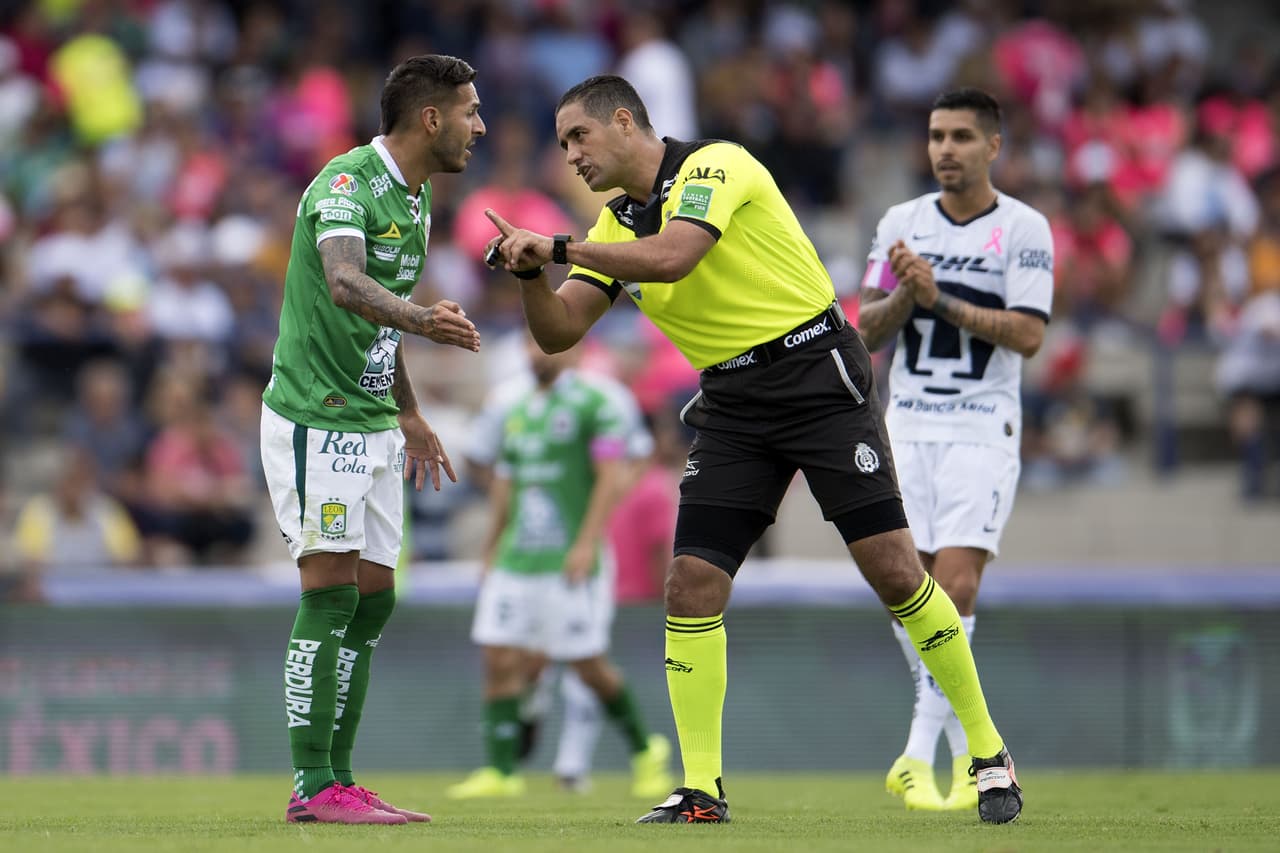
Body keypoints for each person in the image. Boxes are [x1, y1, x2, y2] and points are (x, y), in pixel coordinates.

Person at [483, 74, 1022, 825]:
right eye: (563, 141)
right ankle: (701, 788)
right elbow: (557, 331)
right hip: (733, 403)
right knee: (691, 585)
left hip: (815, 374)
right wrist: (533, 273)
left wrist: (561, 244)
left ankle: (989, 751)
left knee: (897, 574)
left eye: (579, 135)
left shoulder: (715, 166)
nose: (569, 153)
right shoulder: (607, 233)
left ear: (626, 121)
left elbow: (675, 257)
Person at [260, 54, 484, 825]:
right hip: (316, 417)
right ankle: (311, 784)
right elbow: (346, 286)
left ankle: (343, 778)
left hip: (375, 420)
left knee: (376, 598)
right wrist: (426, 319)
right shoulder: (346, 183)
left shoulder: (417, 197)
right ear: (431, 118)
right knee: (328, 589)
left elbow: (373, 334)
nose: (479, 126)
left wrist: (412, 413)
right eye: (469, 112)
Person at [857, 88, 1052, 812]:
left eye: (962, 136)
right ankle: (961, 753)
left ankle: (917, 754)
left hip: (981, 425)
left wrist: (937, 298)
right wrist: (909, 294)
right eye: (937, 135)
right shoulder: (900, 223)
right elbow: (866, 328)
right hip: (905, 424)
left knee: (958, 585)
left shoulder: (1025, 230)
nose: (945, 148)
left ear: (993, 146)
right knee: (913, 591)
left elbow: (1030, 334)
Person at [447, 334, 673, 800]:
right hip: (517, 555)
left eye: (545, 345)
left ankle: (645, 749)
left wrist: (587, 542)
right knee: (498, 655)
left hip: (567, 557)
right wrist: (491, 545)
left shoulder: (597, 401)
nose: (536, 353)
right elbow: (505, 480)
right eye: (530, 345)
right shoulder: (513, 405)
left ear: (573, 348)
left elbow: (613, 473)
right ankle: (500, 771)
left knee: (587, 664)